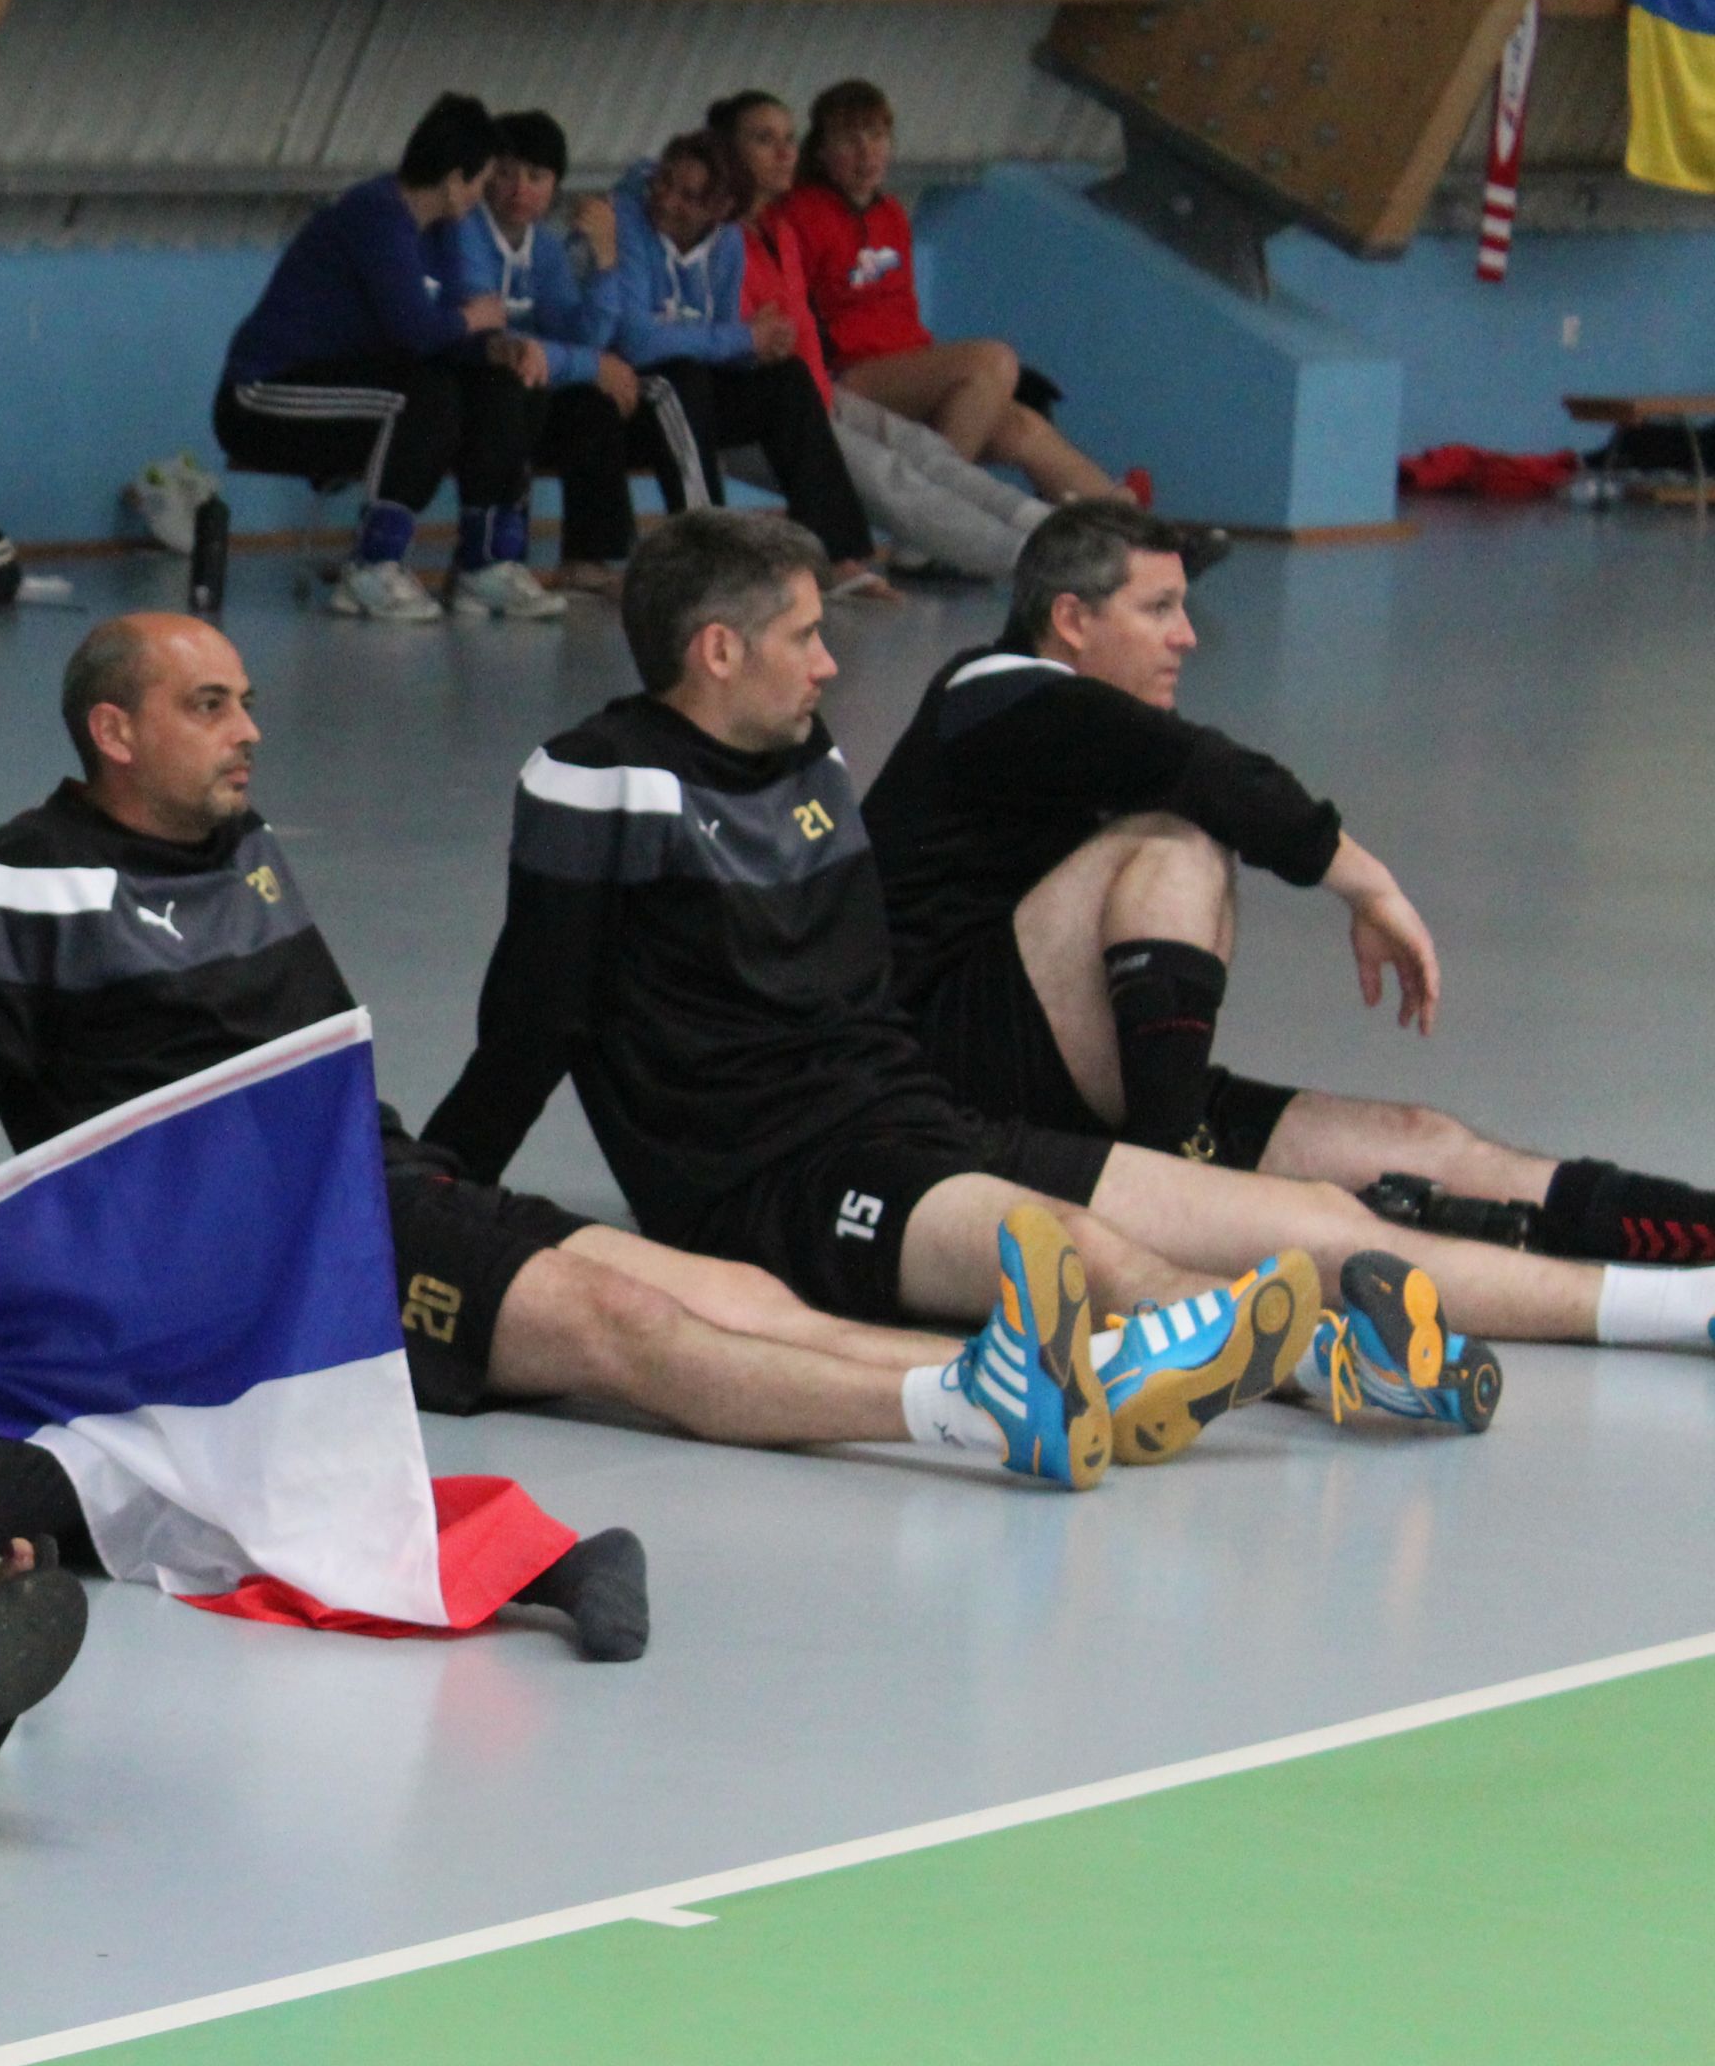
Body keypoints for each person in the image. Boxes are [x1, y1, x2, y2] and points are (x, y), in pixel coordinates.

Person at [0, 612, 1210, 1522]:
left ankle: (1046, 1371)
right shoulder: (28, 876)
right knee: (617, 1328)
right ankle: (961, 1409)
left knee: (721, 1289)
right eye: (209, 705)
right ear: (115, 734)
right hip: (256, 1260)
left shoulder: (239, 843)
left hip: (373, 1187)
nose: (248, 730)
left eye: (245, 701)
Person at [424, 512, 1715, 1432]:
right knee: (1089, 1252)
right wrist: (434, 1188)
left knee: (1327, 1221)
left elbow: (856, 1003)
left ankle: (1682, 1305)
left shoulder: (807, 765)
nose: (829, 662)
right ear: (717, 650)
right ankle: (1334, 1365)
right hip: (776, 1183)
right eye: (805, 637)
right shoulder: (600, 776)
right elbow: (534, 1021)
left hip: (915, 1114)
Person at [865, 500, 1715, 1287]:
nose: (1187, 636)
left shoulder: (1083, 730)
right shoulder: (990, 694)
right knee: (1179, 842)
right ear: (1072, 620)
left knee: (1424, 1143)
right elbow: (1213, 773)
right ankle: (1174, 1181)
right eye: (1158, 609)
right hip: (945, 1075)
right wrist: (1370, 887)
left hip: (1077, 1077)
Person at [212, 93, 567, 624]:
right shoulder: (376, 215)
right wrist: (474, 320)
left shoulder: (440, 231)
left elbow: (443, 333)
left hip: (353, 384)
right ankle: (372, 567)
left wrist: (495, 347)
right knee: (421, 397)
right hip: (265, 396)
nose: (482, 195)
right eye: (482, 180)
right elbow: (416, 330)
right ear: (455, 180)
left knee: (504, 383)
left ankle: (487, 564)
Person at [766, 83, 1127, 504]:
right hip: (848, 375)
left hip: (906, 368)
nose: (867, 153)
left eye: (877, 136)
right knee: (993, 361)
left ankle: (1127, 518)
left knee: (1024, 428)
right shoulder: (799, 214)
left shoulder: (890, 214)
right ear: (822, 153)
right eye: (849, 140)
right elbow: (790, 312)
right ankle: (931, 505)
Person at [587, 132, 882, 588]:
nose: (665, 200)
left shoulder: (727, 243)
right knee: (680, 379)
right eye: (663, 182)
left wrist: (759, 348)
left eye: (688, 196)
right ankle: (709, 554)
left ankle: (836, 553)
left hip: (694, 394)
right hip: (623, 397)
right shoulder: (626, 221)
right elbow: (636, 341)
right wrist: (742, 338)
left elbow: (722, 342)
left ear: (721, 208)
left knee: (786, 380)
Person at [448, 108, 642, 587]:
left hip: (525, 382)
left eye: (536, 177)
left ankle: (586, 559)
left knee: (590, 404)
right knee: (515, 386)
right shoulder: (464, 232)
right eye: (506, 173)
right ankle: (487, 557)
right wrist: (590, 364)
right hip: (464, 383)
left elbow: (582, 337)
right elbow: (491, 339)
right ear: (484, 176)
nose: (520, 190)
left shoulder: (547, 248)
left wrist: (606, 262)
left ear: (555, 185)